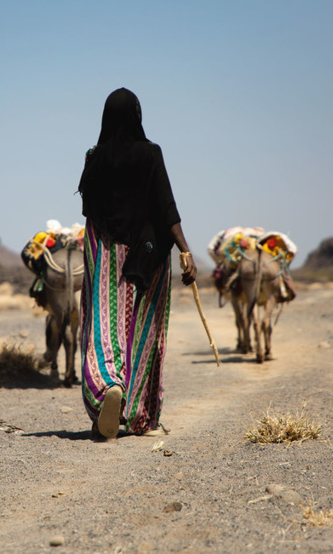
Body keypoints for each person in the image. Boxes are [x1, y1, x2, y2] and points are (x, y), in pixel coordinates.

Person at [77, 87, 196, 440]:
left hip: (103, 252)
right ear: (137, 116)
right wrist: (185, 251)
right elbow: (165, 205)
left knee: (103, 322)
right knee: (145, 329)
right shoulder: (151, 153)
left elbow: (89, 208)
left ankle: (106, 388)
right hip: (148, 254)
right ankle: (142, 417)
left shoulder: (93, 156)